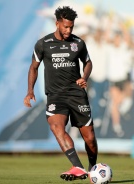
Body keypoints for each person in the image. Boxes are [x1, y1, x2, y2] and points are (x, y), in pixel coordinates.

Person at [23, 6, 98, 181]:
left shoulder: (78, 43)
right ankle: (78, 167)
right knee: (56, 127)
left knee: (90, 139)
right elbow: (34, 67)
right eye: (65, 26)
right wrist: (30, 91)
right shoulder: (43, 44)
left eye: (71, 27)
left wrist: (84, 76)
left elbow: (88, 63)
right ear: (57, 23)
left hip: (77, 94)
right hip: (56, 95)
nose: (68, 30)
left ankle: (92, 169)